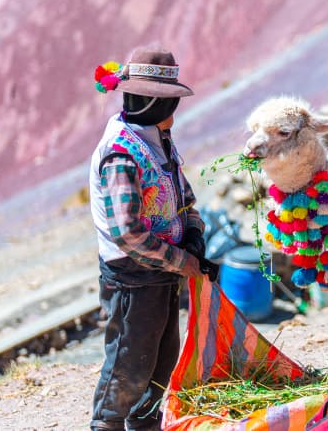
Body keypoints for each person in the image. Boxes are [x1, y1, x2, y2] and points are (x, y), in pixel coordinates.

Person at [89, 46, 218, 430]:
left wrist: (193, 233)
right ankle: (107, 423)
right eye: (166, 102)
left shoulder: (158, 139)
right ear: (148, 102)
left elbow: (184, 197)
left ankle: (145, 424)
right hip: (133, 276)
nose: (172, 111)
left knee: (161, 361)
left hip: (162, 270)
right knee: (130, 361)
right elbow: (127, 233)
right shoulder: (121, 154)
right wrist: (182, 260)